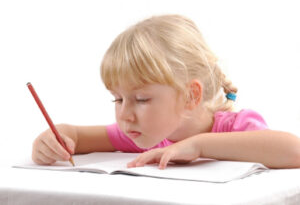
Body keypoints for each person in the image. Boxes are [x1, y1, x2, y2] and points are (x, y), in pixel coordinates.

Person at [32, 14, 300, 169]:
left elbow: (293, 150)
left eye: (141, 99)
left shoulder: (236, 126)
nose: (124, 114)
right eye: (118, 98)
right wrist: (57, 137)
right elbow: (79, 136)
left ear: (190, 96)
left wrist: (198, 145)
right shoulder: (146, 133)